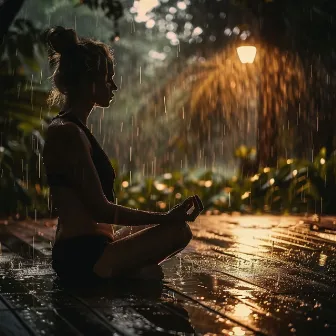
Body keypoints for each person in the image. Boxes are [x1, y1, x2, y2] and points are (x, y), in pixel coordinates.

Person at [42, 26, 203, 283]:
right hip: (84, 256)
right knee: (177, 231)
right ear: (89, 82)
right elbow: (100, 210)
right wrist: (165, 217)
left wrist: (160, 221)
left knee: (153, 260)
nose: (114, 86)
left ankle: (129, 272)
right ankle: (118, 272)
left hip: (95, 246)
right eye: (108, 78)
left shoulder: (72, 128)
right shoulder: (67, 133)